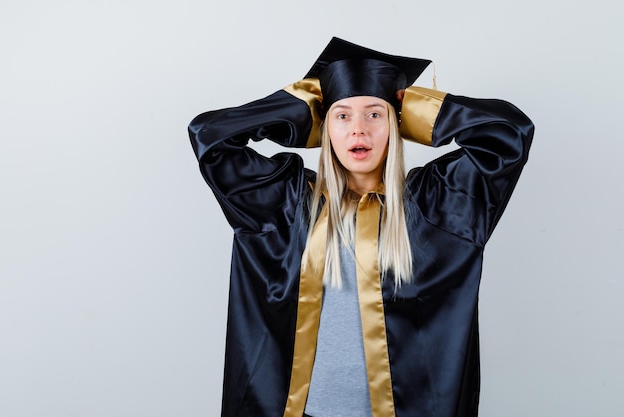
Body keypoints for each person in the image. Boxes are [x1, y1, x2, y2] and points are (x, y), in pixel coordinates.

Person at [188, 37, 534, 417]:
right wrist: (302, 109)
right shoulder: (284, 204)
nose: (358, 130)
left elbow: (509, 133)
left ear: (395, 123)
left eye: (374, 114)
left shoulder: (435, 205)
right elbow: (210, 136)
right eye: (342, 116)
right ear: (324, 126)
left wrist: (417, 108)